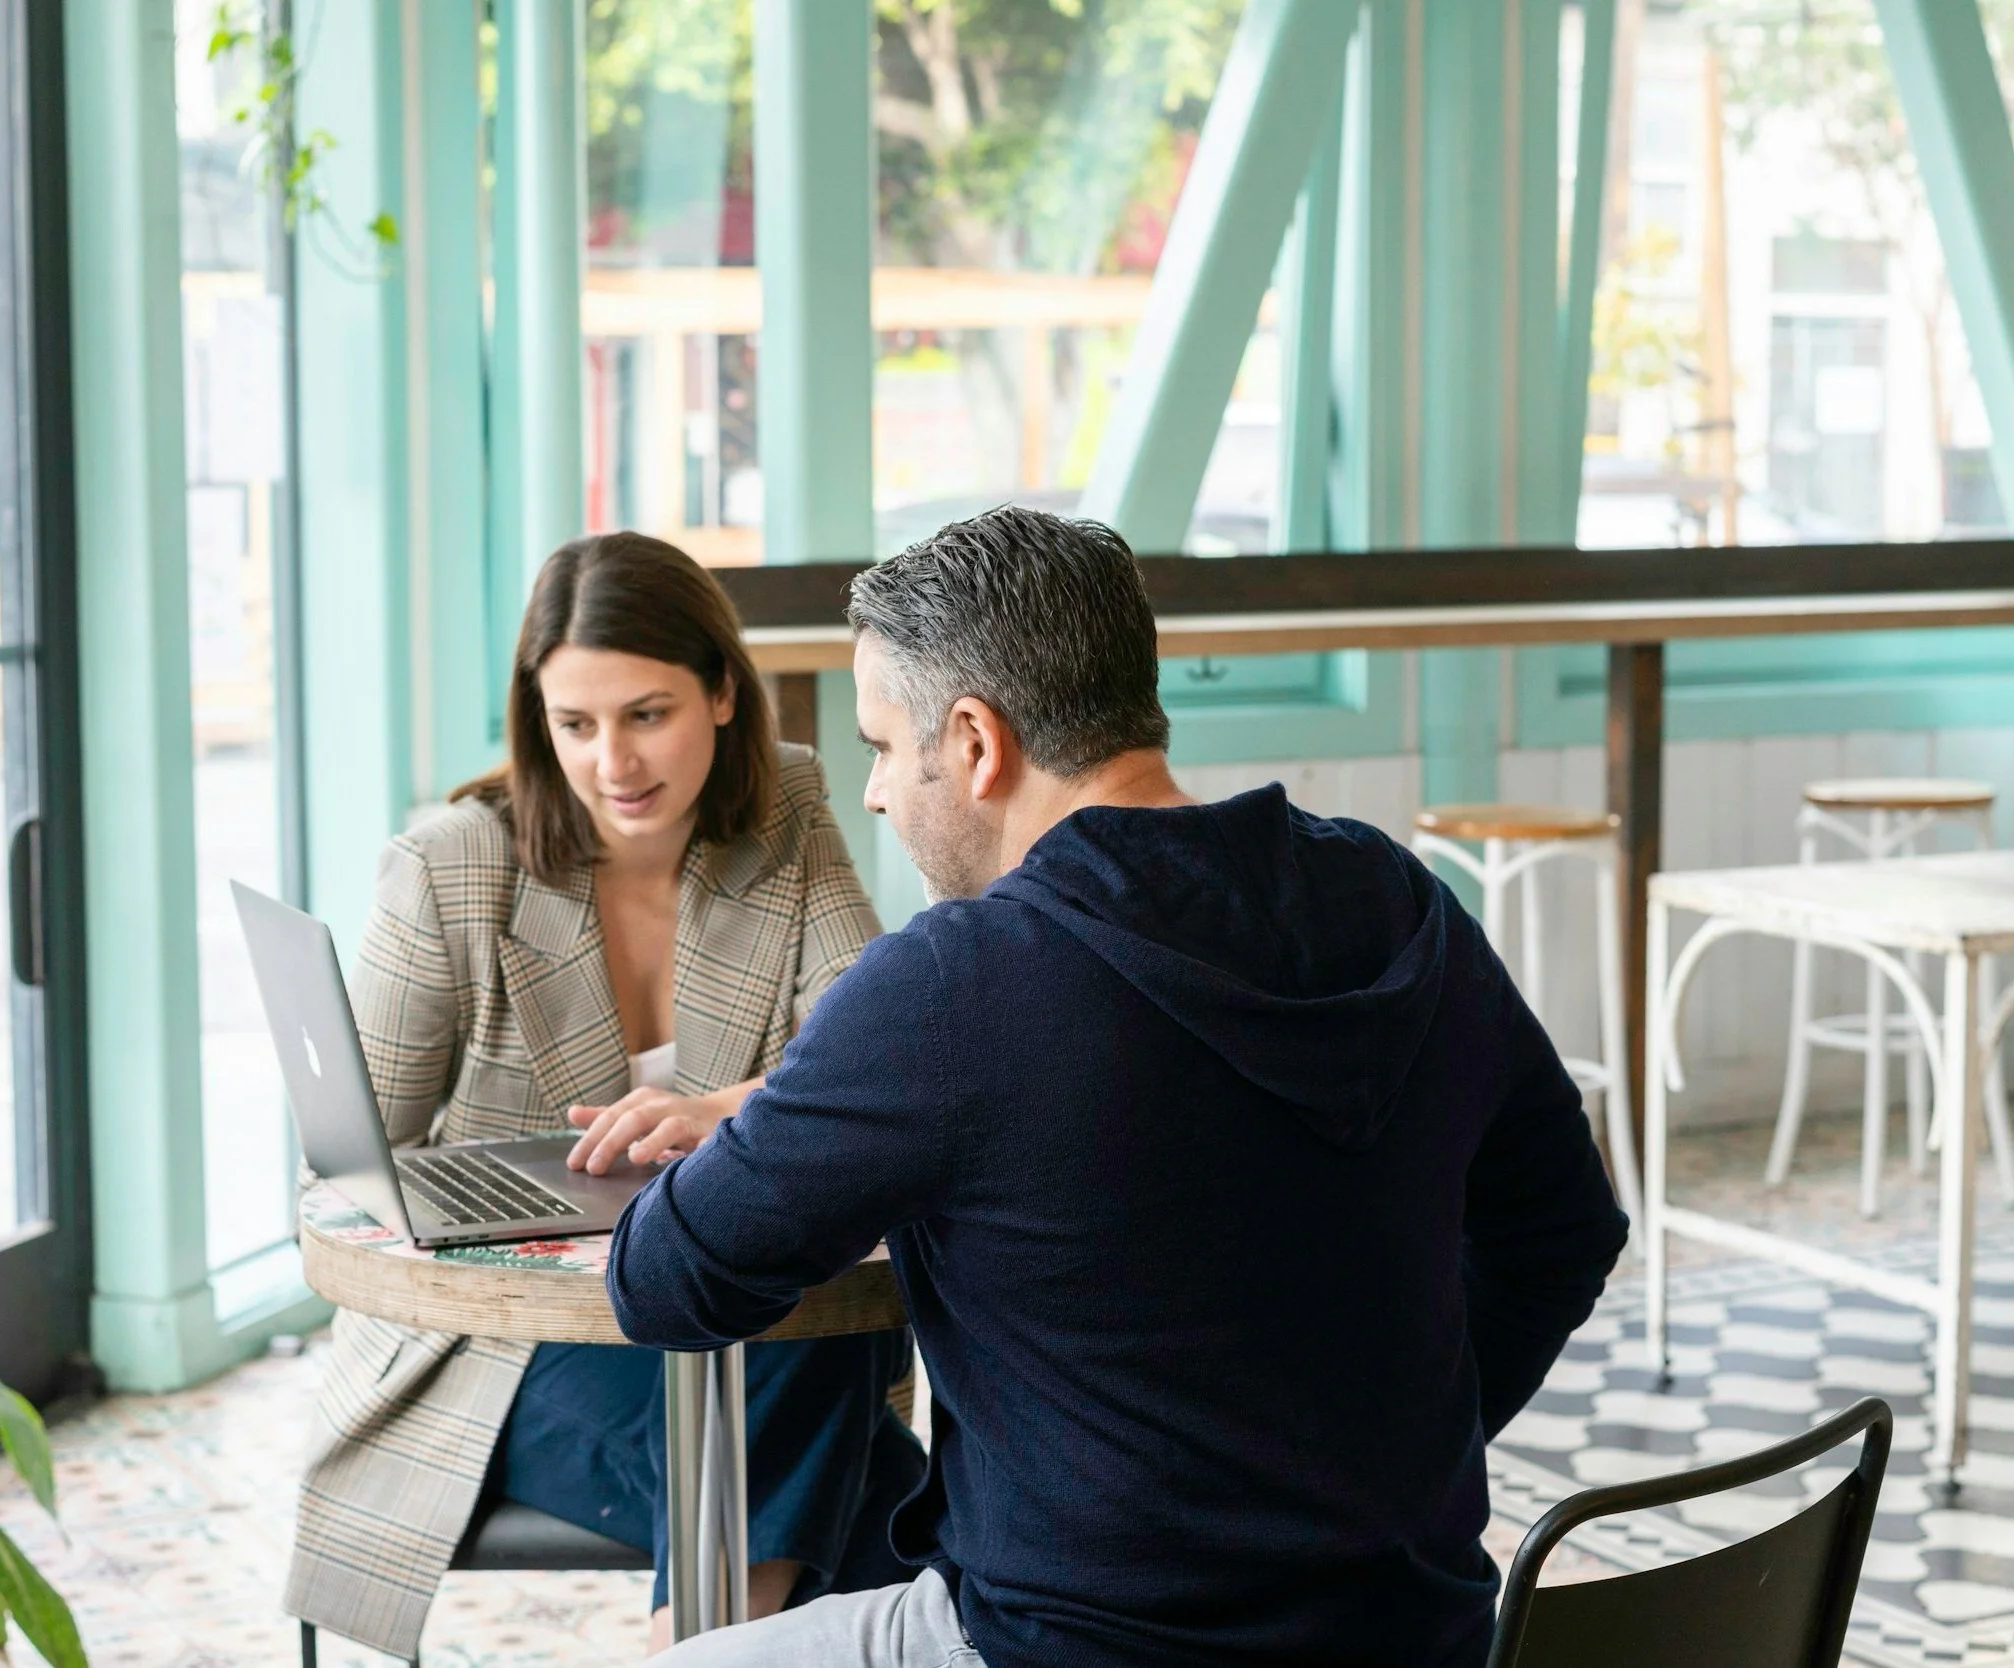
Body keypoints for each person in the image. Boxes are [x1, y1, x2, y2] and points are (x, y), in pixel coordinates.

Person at [609, 506, 1631, 1668]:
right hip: (1411, 1636)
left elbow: (665, 1281)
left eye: (883, 747)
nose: (880, 794)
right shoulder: (1398, 901)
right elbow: (1565, 1229)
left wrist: (786, 1102)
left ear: (976, 743)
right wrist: (1378, 1474)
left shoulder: (954, 986)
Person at [284, 533, 924, 1663]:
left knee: (804, 1357)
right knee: (902, 1494)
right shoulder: (451, 867)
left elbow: (871, 1061)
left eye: (644, 714)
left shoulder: (787, 815)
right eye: (572, 726)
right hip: (506, 1348)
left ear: (722, 693)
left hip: (733, 1314)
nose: (611, 762)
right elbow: (347, 1165)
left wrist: (733, 1108)